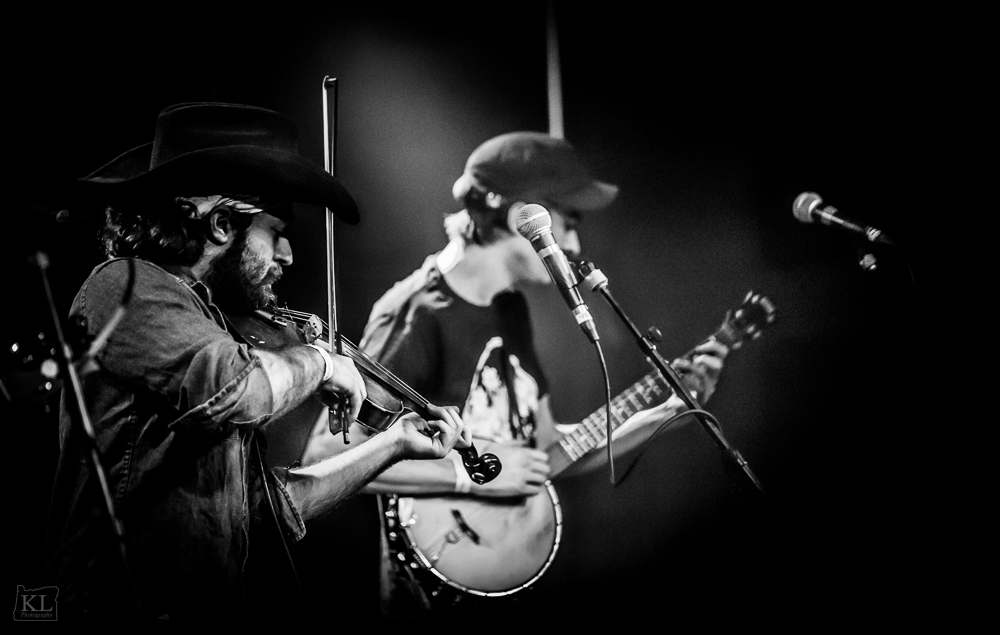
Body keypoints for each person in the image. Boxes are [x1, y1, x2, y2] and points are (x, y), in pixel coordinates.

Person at [41, 102, 468, 623]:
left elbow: (261, 512)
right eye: (275, 231)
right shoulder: (126, 286)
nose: (287, 255)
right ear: (221, 224)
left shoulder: (207, 323)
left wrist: (394, 443)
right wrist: (322, 362)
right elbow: (236, 390)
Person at [301, 131, 730, 618]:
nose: (574, 243)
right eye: (567, 223)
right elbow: (326, 454)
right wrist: (472, 477)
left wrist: (670, 412)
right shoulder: (417, 312)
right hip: (428, 592)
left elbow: (546, 452)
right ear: (519, 216)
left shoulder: (511, 310)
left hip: (502, 581)